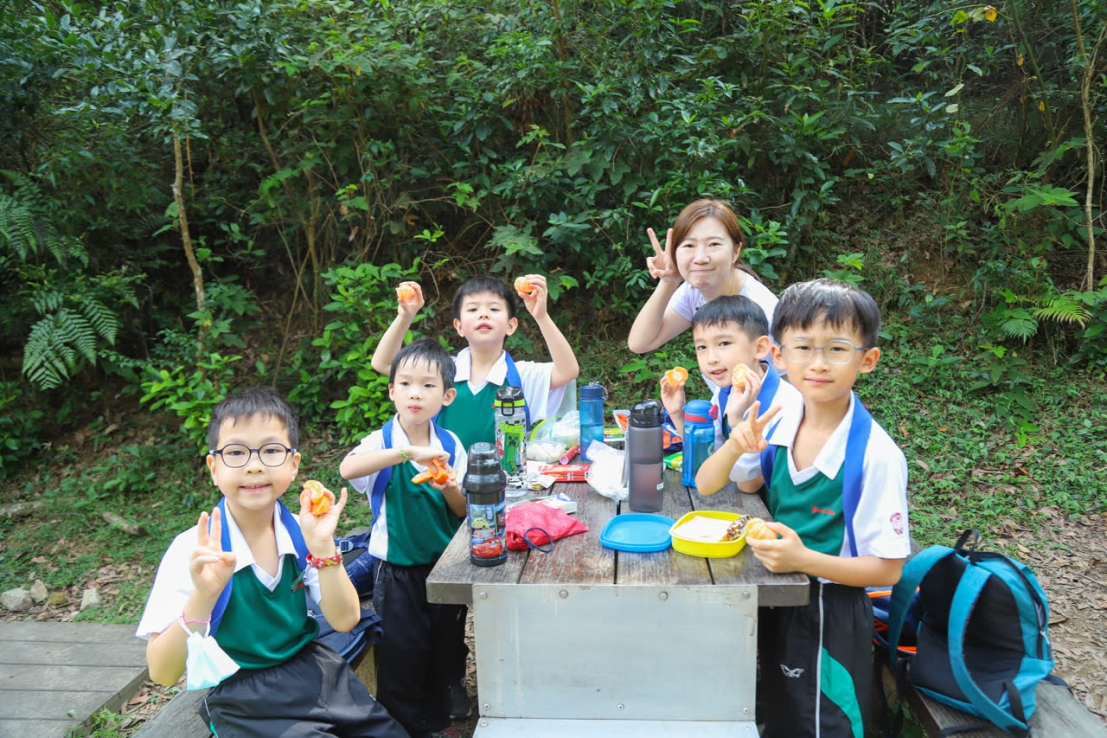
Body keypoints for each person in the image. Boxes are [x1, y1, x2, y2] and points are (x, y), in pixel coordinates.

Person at [136, 388, 407, 738]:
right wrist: (203, 596)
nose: (254, 465)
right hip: (243, 695)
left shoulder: (299, 532)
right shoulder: (194, 550)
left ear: (293, 465)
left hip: (316, 670)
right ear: (214, 468)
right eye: (236, 452)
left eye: (271, 450)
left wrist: (323, 547)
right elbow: (162, 672)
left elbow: (345, 620)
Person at [717, 279, 910, 737]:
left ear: (867, 360)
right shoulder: (782, 424)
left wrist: (803, 560)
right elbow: (739, 481)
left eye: (837, 349)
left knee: (823, 722)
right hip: (779, 595)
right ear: (779, 356)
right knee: (782, 712)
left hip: (830, 609)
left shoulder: (875, 455)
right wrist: (737, 433)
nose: (818, 363)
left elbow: (888, 569)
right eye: (803, 347)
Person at [340, 339, 470, 738]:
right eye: (406, 383)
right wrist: (405, 453)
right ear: (392, 390)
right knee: (401, 651)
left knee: (445, 643)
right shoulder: (381, 442)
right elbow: (348, 469)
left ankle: (441, 715)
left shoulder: (450, 445)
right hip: (395, 569)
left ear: (447, 396)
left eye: (428, 385)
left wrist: (449, 486)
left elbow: (462, 510)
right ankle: (404, 725)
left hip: (444, 567)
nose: (416, 393)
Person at [370, 275, 579, 453]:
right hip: (442, 480)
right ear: (459, 326)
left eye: (494, 309)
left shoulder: (522, 375)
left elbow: (568, 371)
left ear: (511, 325)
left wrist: (541, 316)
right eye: (472, 309)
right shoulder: (441, 369)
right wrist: (405, 316)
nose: (483, 314)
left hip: (507, 483)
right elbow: (383, 363)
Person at [659, 294, 802, 494]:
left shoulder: (784, 404)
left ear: (760, 348)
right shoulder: (726, 390)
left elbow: (746, 484)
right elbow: (710, 455)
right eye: (702, 347)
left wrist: (736, 421)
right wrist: (677, 414)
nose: (711, 358)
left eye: (724, 343)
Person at [627, 198, 778, 355]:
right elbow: (640, 343)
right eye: (689, 245)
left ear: (735, 251)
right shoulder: (693, 292)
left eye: (714, 244)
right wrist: (669, 282)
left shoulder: (766, 312)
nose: (700, 258)